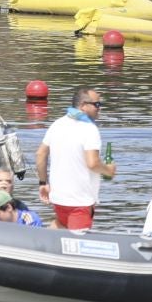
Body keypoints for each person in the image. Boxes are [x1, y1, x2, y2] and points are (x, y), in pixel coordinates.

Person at [36, 87, 113, 230]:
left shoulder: (58, 124)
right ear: (83, 106)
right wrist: (109, 170)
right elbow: (93, 163)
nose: (99, 108)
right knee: (77, 246)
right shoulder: (89, 129)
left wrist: (42, 183)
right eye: (96, 104)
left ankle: (36, 243)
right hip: (79, 202)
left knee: (61, 225)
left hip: (59, 200)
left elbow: (40, 154)